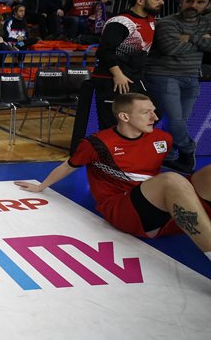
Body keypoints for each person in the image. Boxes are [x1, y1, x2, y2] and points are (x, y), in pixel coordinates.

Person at [15, 93, 211, 261]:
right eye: (146, 112)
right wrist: (41, 186)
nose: (155, 117)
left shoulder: (162, 139)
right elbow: (69, 166)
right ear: (124, 116)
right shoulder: (97, 144)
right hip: (123, 210)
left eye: (154, 111)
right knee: (171, 179)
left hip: (161, 208)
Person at [144, 0, 211, 174]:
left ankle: (169, 155)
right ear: (181, 2)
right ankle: (188, 150)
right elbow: (171, 48)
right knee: (175, 120)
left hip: (191, 77)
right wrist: (202, 41)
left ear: (207, 5)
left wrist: (190, 38)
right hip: (163, 76)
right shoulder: (167, 23)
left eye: (200, 2)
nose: (193, 5)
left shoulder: (207, 23)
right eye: (190, 1)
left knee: (179, 120)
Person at [94, 0, 164, 130]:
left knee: (154, 113)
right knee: (112, 123)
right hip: (114, 80)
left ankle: (131, 142)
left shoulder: (151, 20)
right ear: (140, 1)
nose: (161, 2)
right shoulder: (120, 22)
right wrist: (118, 74)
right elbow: (104, 51)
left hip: (135, 77)